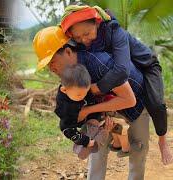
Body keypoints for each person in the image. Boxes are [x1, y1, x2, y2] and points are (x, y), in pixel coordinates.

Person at [60, 4, 172, 166]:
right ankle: (118, 139)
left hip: (146, 66)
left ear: (97, 23)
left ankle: (162, 140)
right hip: (125, 74)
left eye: (87, 34)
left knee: (155, 103)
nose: (84, 40)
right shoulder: (82, 46)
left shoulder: (115, 32)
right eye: (78, 38)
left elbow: (121, 71)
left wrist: (95, 89)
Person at [33, 26, 148, 180]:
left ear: (67, 51)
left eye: (52, 61)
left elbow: (129, 99)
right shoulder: (69, 74)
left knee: (138, 151)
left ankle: (123, 140)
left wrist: (87, 111)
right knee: (96, 142)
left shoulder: (98, 63)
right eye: (48, 65)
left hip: (136, 102)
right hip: (107, 103)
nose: (51, 68)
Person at [55, 63, 109, 160]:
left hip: (85, 109)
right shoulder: (65, 109)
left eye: (86, 92)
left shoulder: (81, 88)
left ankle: (95, 127)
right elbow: (66, 129)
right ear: (64, 90)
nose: (83, 96)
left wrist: (94, 111)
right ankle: (85, 143)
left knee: (95, 113)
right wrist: (85, 141)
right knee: (69, 130)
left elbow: (88, 97)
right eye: (79, 95)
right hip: (72, 119)